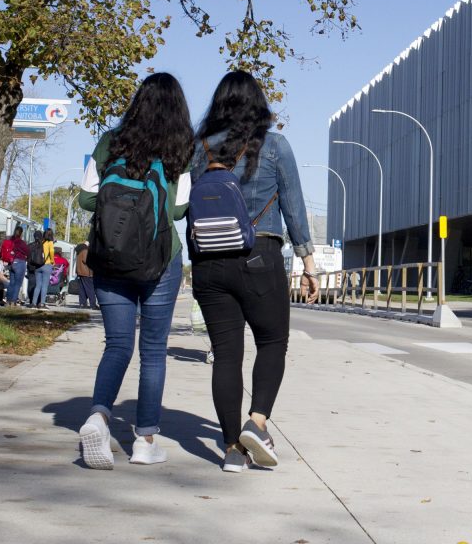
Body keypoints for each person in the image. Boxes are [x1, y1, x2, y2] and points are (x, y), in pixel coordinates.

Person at [190, 70, 319, 474]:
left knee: (226, 355)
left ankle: (231, 449)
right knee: (272, 342)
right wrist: (308, 263)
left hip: (209, 262)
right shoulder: (275, 145)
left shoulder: (200, 150)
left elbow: (193, 207)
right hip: (260, 255)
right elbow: (294, 207)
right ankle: (257, 422)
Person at [76, 73, 194, 469]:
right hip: (161, 259)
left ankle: (97, 416)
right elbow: (178, 210)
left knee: (117, 345)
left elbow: (86, 198)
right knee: (153, 352)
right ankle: (144, 441)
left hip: (110, 255)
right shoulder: (182, 149)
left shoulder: (111, 141)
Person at [3, 227, 28, 306]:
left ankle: (8, 301)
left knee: (11, 283)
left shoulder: (10, 240)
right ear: (21, 233)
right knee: (18, 284)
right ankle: (13, 302)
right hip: (20, 262)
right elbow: (28, 252)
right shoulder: (21, 243)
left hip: (11, 263)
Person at [30, 229, 55, 308]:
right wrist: (52, 261)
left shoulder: (40, 242)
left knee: (38, 285)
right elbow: (51, 252)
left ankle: (33, 303)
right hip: (46, 265)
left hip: (38, 266)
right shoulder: (50, 243)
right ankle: (42, 303)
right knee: (44, 285)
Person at [74, 242, 98, 310]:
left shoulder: (79, 251)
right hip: (87, 273)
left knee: (82, 290)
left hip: (81, 272)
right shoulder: (85, 251)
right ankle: (93, 305)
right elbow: (86, 260)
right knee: (90, 289)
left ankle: (82, 304)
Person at [26, 230, 47, 306]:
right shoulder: (43, 246)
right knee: (39, 285)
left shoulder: (29, 246)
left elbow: (27, 256)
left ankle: (32, 300)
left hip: (31, 267)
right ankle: (39, 301)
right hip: (40, 267)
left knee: (31, 285)